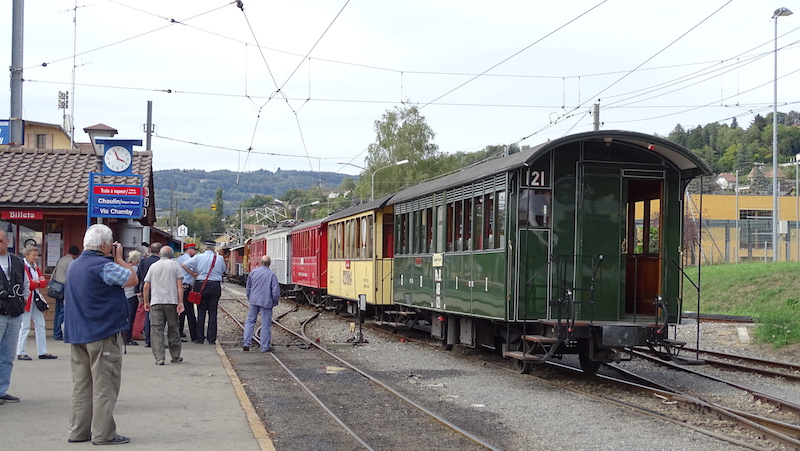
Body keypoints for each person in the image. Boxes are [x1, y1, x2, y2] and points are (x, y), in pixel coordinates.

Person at [63, 224, 137, 445]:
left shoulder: (74, 266)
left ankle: (78, 431)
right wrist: (121, 259)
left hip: (78, 333)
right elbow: (132, 279)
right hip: (102, 332)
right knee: (105, 384)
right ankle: (104, 434)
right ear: (105, 245)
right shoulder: (103, 266)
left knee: (82, 386)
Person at [0, 229, 28, 405]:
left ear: (7, 240)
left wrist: (23, 301)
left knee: (8, 355)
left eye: (0, 240)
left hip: (15, 312)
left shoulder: (17, 261)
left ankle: (2, 389)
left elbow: (25, 283)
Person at [143, 246, 184, 365]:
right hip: (171, 301)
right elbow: (179, 286)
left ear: (160, 254)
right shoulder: (175, 265)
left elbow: (146, 286)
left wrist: (146, 301)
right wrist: (180, 302)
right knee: (173, 328)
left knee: (156, 330)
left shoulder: (153, 266)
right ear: (171, 255)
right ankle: (175, 356)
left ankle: (159, 358)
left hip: (156, 301)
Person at [17, 246, 56, 360]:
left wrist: (37, 282)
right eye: (33, 255)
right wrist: (39, 281)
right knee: (25, 325)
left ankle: (42, 351)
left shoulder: (35, 266)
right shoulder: (23, 266)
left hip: (35, 298)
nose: (36, 257)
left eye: (37, 255)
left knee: (40, 324)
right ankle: (21, 351)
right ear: (27, 255)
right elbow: (28, 284)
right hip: (26, 298)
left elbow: (43, 283)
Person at [184, 240, 225, 345]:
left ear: (204, 248)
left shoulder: (198, 257)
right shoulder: (219, 258)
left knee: (201, 312)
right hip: (215, 285)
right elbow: (223, 270)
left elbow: (183, 265)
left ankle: (200, 338)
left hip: (201, 285)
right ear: (214, 248)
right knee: (213, 313)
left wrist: (193, 273)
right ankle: (211, 339)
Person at [243, 255, 280, 353]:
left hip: (254, 301)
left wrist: (250, 298)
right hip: (266, 302)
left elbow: (248, 288)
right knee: (265, 324)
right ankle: (264, 347)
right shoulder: (272, 275)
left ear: (260, 262)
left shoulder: (253, 273)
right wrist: (274, 302)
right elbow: (275, 292)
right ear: (269, 264)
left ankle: (246, 343)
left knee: (250, 321)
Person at [51, 245, 79, 341]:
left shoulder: (61, 259)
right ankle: (59, 333)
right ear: (75, 255)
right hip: (64, 287)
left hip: (57, 287)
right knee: (63, 312)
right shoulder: (71, 262)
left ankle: (56, 332)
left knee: (58, 311)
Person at [136, 243, 161, 348]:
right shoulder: (160, 262)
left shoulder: (144, 261)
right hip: (159, 290)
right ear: (160, 251)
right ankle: (157, 340)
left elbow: (139, 275)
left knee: (147, 315)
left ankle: (148, 340)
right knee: (159, 316)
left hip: (146, 289)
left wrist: (137, 290)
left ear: (150, 250)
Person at [177, 243, 198, 342]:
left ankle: (179, 332)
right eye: (194, 250)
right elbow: (192, 271)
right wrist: (193, 274)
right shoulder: (188, 260)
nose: (195, 252)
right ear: (190, 249)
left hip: (180, 287)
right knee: (190, 312)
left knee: (181, 311)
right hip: (186, 287)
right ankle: (194, 335)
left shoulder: (179, 259)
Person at [122, 250, 142, 346]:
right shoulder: (135, 269)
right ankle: (127, 338)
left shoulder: (125, 268)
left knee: (126, 316)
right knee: (131, 317)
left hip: (125, 294)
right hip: (132, 294)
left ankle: (125, 336)